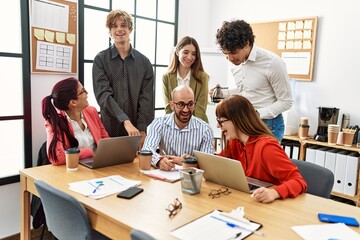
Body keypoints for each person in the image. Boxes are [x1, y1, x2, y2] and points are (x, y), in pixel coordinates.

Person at [211, 19, 293, 142]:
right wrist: (225, 94)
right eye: (225, 53)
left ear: (247, 44)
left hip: (268, 125)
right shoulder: (237, 61)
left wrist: (256, 114)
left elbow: (286, 101)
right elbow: (248, 89)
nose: (229, 58)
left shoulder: (273, 63)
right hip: (244, 123)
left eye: (233, 52)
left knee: (262, 161)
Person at [215, 95, 306, 203]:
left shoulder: (267, 148)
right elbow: (216, 164)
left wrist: (274, 192)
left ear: (237, 120)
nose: (217, 126)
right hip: (251, 202)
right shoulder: (236, 143)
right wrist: (192, 162)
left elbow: (299, 181)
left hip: (272, 207)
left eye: (221, 121)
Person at [92, 9, 154, 150]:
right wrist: (125, 121)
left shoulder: (144, 63)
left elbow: (147, 99)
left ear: (130, 28)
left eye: (123, 25)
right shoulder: (100, 60)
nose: (119, 29)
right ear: (109, 31)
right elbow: (103, 95)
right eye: (114, 26)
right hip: (109, 130)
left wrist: (142, 129)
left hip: (137, 132)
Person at [142, 85, 214, 171]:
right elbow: (147, 150)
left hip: (191, 178)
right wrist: (159, 161)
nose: (186, 110)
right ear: (172, 105)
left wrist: (188, 162)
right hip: (166, 176)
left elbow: (208, 163)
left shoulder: (205, 129)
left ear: (194, 105)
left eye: (190, 104)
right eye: (181, 104)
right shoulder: (159, 123)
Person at [41, 78, 109, 165]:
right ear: (73, 102)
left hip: (99, 165)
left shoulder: (92, 112)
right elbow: (57, 157)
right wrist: (89, 152)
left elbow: (105, 140)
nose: (87, 93)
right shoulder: (54, 122)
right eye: (83, 91)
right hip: (75, 169)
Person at [163, 36, 209, 122]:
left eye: (193, 54)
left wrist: (193, 130)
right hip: (173, 126)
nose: (189, 57)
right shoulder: (167, 77)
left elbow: (200, 109)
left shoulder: (203, 77)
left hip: (197, 125)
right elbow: (168, 107)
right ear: (177, 52)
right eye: (186, 52)